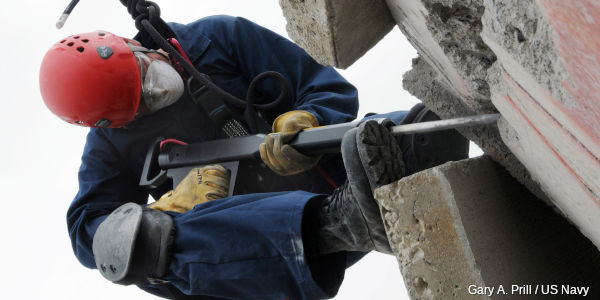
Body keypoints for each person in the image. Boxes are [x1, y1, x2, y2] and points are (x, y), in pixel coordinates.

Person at [39, 15, 467, 299]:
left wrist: (307, 117)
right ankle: (334, 224)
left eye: (147, 79)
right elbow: (86, 231)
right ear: (110, 123)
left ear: (136, 48)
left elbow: (324, 86)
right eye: (143, 105)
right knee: (144, 246)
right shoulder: (110, 144)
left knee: (404, 133)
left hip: (338, 175)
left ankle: (400, 179)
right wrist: (153, 214)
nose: (157, 94)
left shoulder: (216, 40)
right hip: (262, 251)